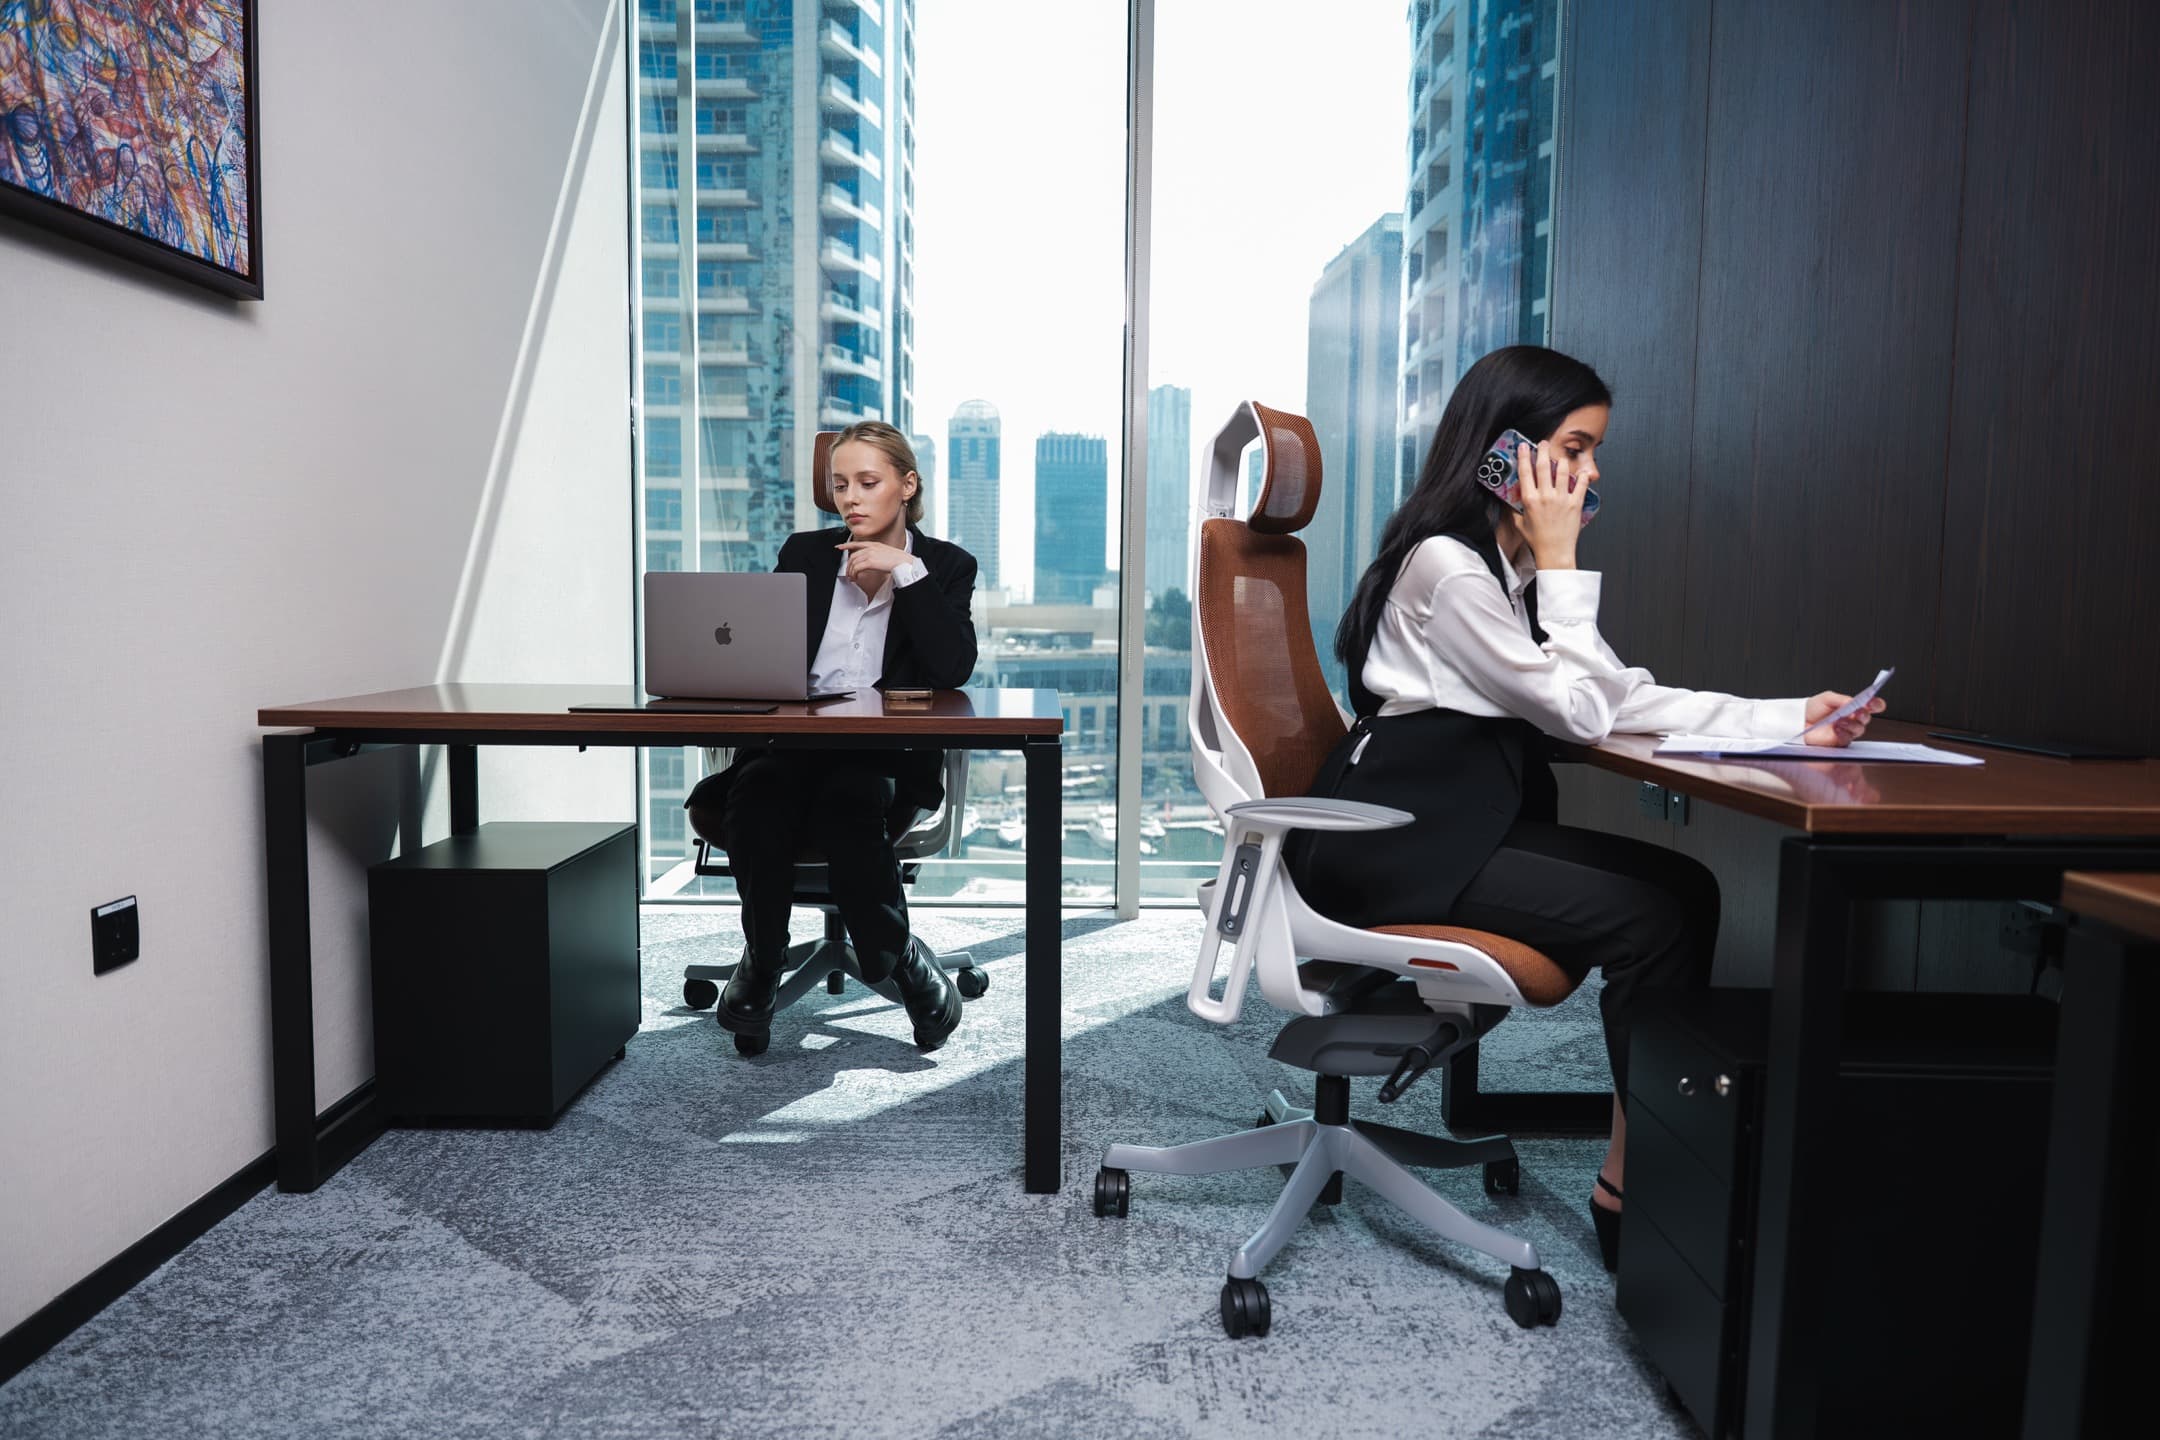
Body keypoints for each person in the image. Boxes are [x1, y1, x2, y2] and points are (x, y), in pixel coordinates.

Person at [1284, 345, 1883, 1273]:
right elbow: (1575, 709)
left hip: (1447, 827)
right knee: (1653, 917)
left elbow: (1616, 694)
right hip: (1385, 841)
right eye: (1576, 447)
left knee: (1685, 888)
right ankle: (1633, 1180)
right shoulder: (1448, 569)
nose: (1593, 472)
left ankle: (1639, 1158)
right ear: (1505, 454)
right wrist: (1563, 560)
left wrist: (1793, 722)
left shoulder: (1503, 571)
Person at [684, 422, 979, 1052]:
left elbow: (952, 669)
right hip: (791, 746)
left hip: (884, 758)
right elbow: (761, 651)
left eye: (868, 483)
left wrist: (907, 572)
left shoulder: (947, 566)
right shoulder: (806, 554)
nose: (851, 497)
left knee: (850, 801)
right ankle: (763, 961)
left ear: (907, 484)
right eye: (839, 484)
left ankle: (894, 958)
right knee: (758, 795)